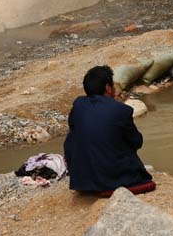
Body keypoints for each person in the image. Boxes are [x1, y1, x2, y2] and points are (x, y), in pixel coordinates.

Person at [64, 65, 154, 195]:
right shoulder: (120, 110)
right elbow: (137, 142)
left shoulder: (78, 105)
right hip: (109, 181)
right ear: (107, 87)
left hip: (81, 180)